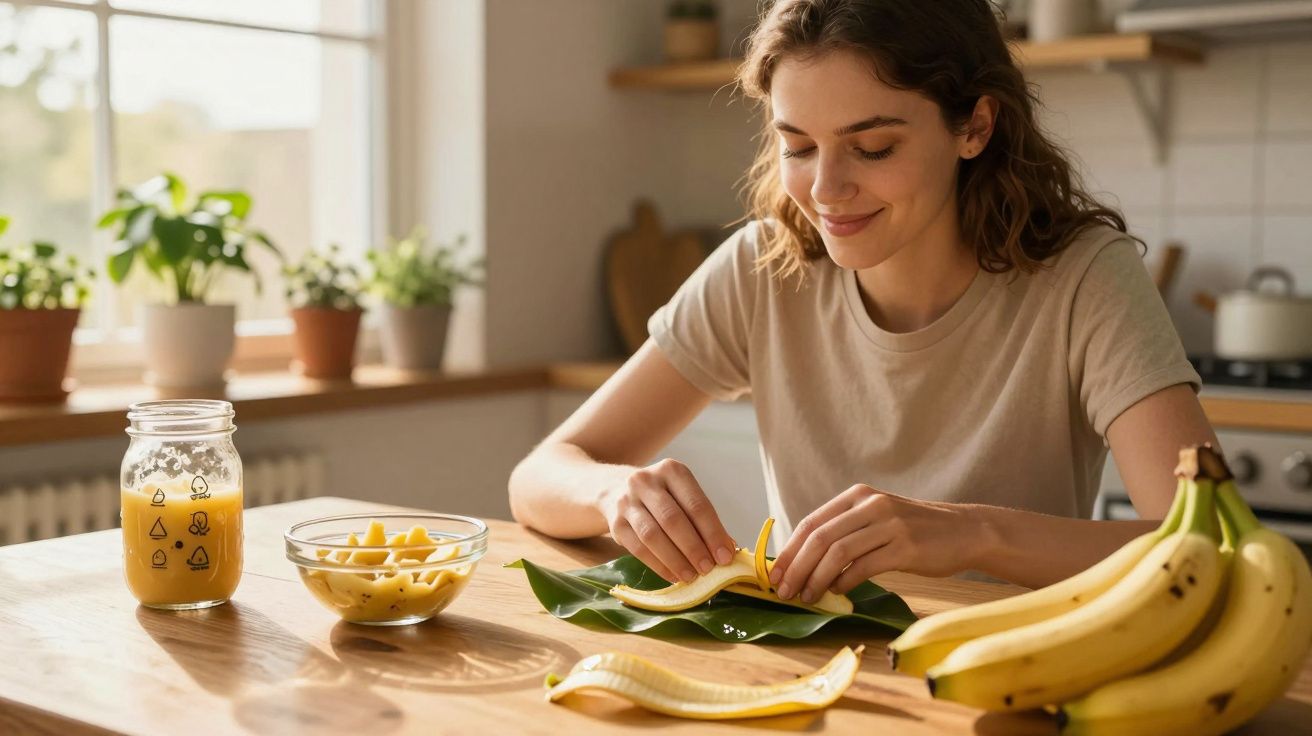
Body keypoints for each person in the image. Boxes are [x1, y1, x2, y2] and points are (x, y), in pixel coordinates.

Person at [508, 0, 1217, 602]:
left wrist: (972, 531)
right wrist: (612, 494)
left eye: (872, 147)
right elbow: (539, 476)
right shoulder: (762, 268)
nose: (825, 190)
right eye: (798, 147)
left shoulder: (1083, 277)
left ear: (974, 127)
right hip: (811, 684)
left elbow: (1207, 544)